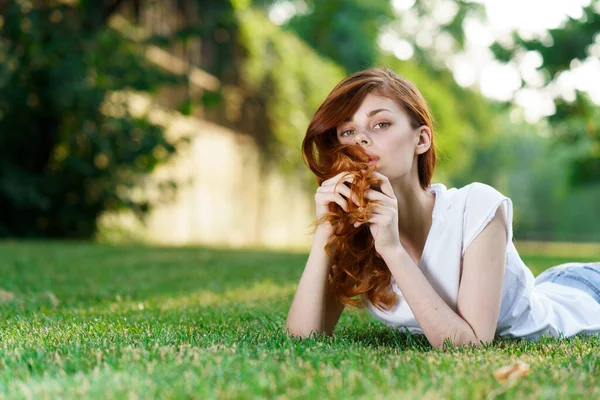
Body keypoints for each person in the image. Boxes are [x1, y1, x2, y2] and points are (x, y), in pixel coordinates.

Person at [284, 66, 600, 349]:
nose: (361, 139)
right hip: (551, 285)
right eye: (348, 132)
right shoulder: (357, 231)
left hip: (585, 294)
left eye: (380, 124)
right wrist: (326, 232)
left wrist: (393, 251)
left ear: (421, 140)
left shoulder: (475, 205)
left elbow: (470, 345)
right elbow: (302, 339)